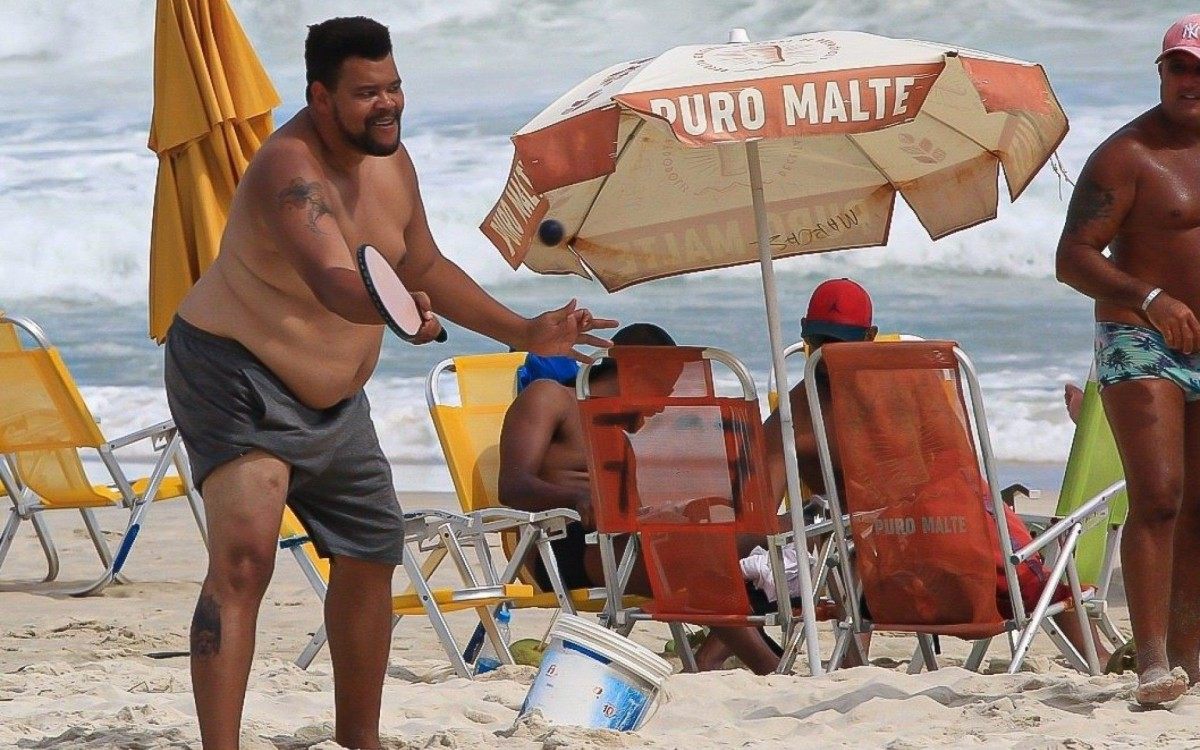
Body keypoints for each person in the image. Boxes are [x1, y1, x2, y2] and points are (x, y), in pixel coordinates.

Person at [164, 17, 615, 749]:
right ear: (319, 96)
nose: (388, 104)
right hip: (234, 373)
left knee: (372, 549)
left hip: (334, 400)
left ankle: (358, 738)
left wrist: (523, 332)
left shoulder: (393, 164)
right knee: (244, 556)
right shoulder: (289, 171)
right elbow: (337, 281)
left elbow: (423, 265)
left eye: (395, 86)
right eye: (367, 91)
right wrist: (392, 312)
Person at [764, 278, 1107, 669]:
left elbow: (953, 472)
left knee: (1001, 551)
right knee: (1036, 577)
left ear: (871, 337)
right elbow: (762, 512)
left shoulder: (884, 396)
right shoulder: (802, 415)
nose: (827, 356)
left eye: (838, 343)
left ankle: (1104, 660)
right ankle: (1103, 661)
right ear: (805, 334)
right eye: (819, 341)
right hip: (907, 553)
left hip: (896, 556)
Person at [497, 323, 786, 674]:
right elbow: (512, 486)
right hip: (559, 545)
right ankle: (769, 666)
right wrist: (576, 497)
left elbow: (629, 515)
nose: (663, 406)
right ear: (635, 372)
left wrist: (679, 512)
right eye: (662, 388)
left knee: (760, 535)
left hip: (616, 545)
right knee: (693, 556)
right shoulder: (550, 398)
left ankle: (741, 656)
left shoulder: (618, 436)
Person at [1055, 13, 1200, 705]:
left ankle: (1189, 656)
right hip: (1140, 339)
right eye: (1180, 68)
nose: (1191, 81)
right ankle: (1149, 660)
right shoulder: (1126, 155)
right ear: (1161, 71)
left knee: (1199, 506)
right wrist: (1149, 296)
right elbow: (1071, 257)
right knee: (1161, 495)